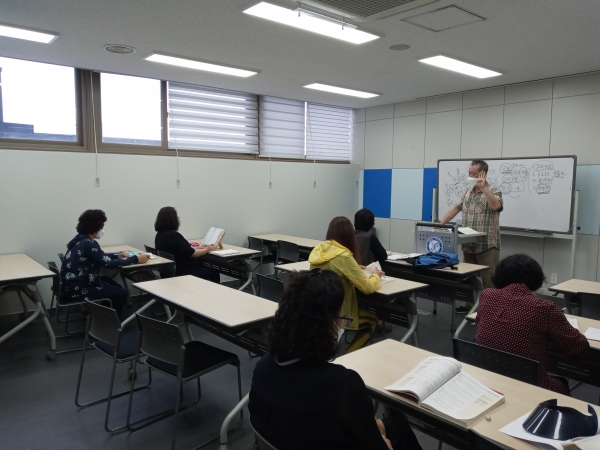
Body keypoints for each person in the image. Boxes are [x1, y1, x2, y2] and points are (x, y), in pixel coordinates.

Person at [249, 269, 422, 450]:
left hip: (290, 438)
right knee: (398, 431)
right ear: (326, 324)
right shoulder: (343, 385)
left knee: (396, 427)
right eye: (341, 318)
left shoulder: (263, 366)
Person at [475, 254, 589, 395]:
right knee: (561, 383)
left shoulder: (487, 295)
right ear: (536, 278)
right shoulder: (545, 308)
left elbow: (479, 325)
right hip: (531, 386)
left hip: (486, 379)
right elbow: (578, 347)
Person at [309, 216, 382, 353]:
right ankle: (349, 357)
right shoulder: (343, 256)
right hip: (340, 313)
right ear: (349, 235)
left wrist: (354, 267)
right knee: (373, 319)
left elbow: (334, 268)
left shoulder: (318, 250)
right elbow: (367, 287)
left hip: (318, 308)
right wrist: (376, 276)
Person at [440, 159, 503, 313]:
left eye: (473, 173)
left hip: (487, 244)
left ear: (483, 174)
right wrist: (440, 225)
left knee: (489, 279)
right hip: (469, 243)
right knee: (469, 277)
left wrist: (484, 189)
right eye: (469, 172)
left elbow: (496, 206)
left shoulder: (494, 190)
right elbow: (454, 208)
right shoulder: (468, 191)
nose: (470, 176)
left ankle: (490, 311)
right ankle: (469, 305)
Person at [60, 209, 149, 316]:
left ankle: (102, 313)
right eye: (102, 226)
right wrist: (135, 259)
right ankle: (110, 321)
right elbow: (109, 264)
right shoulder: (89, 244)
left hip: (70, 287)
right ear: (95, 227)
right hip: (79, 290)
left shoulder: (79, 239)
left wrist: (117, 255)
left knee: (109, 281)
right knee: (121, 293)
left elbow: (99, 256)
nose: (102, 229)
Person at [154, 206, 220, 283]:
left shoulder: (159, 235)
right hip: (184, 272)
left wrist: (199, 248)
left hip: (171, 271)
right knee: (213, 273)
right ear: (173, 220)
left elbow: (182, 250)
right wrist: (207, 249)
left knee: (204, 266)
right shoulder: (173, 235)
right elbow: (191, 254)